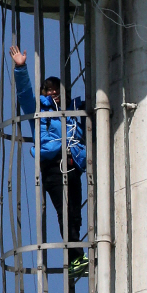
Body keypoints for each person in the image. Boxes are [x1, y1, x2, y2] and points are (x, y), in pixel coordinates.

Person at [10, 45, 89, 279]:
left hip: (74, 165)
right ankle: (75, 257)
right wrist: (20, 67)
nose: (52, 93)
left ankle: (76, 257)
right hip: (53, 166)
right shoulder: (39, 111)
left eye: (56, 89)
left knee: (75, 214)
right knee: (64, 210)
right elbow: (24, 93)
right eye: (48, 89)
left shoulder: (75, 111)